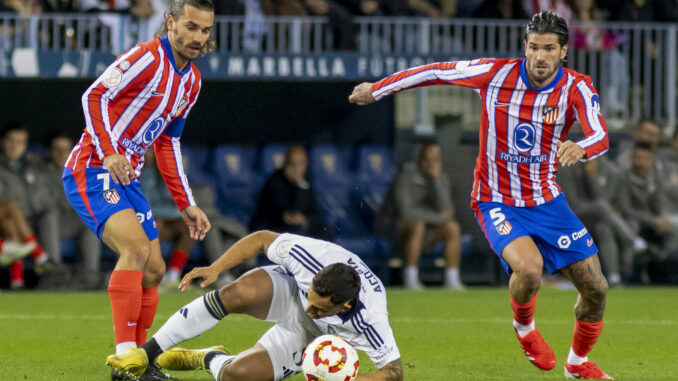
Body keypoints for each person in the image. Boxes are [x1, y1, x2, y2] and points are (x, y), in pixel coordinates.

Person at [349, 10, 612, 379]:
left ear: (564, 51)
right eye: (534, 47)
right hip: (497, 199)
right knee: (530, 269)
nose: (540, 56)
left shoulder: (577, 87)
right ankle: (524, 329)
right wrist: (377, 89)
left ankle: (577, 363)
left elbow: (601, 135)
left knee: (596, 288)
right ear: (525, 47)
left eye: (549, 49)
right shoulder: (495, 74)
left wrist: (582, 147)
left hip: (548, 202)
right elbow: (435, 70)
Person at [61, 0, 213, 377]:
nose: (198, 38)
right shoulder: (146, 57)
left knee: (155, 270)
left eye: (206, 31)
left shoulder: (191, 81)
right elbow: (94, 96)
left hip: (127, 177)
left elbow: (167, 143)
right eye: (191, 27)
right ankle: (127, 361)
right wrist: (110, 151)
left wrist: (185, 203)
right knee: (137, 249)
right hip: (92, 167)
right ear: (171, 22)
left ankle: (139, 360)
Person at [106, 230, 404, 381]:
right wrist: (216, 267)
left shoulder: (370, 319)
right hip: (288, 292)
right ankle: (146, 354)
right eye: (310, 296)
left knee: (238, 376)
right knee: (238, 291)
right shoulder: (309, 259)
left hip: (314, 339)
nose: (309, 307)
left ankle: (207, 358)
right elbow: (262, 239)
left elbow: (393, 373)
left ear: (344, 305)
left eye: (318, 307)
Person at [376, 143, 464, 290]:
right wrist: (439, 217)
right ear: (420, 161)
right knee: (418, 225)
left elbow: (448, 211)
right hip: (395, 230)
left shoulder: (441, 179)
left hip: (427, 231)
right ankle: (411, 279)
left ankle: (452, 280)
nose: (432, 164)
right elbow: (406, 213)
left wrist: (436, 182)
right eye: (428, 160)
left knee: (452, 227)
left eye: (436, 160)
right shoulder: (405, 176)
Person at [558, 156, 645, 286]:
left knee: (603, 228)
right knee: (601, 206)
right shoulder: (566, 166)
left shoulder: (609, 169)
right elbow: (571, 202)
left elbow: (602, 198)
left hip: (594, 217)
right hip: (571, 215)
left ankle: (614, 277)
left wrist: (591, 177)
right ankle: (632, 239)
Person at [0, 122, 57, 288]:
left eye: (20, 142)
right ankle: (39, 255)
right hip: (7, 214)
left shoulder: (33, 166)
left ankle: (17, 282)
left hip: (24, 219)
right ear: (3, 142)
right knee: (11, 208)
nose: (14, 146)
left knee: (12, 224)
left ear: (25, 145)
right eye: (11, 140)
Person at [44, 131, 103, 289]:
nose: (62, 154)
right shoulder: (42, 172)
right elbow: (44, 202)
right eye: (57, 149)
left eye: (66, 149)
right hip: (46, 224)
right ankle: (54, 272)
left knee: (91, 218)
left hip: (70, 220)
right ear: (49, 152)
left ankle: (90, 274)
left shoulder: (78, 170)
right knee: (50, 214)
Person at [616, 142, 678, 282]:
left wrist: (662, 218)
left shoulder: (653, 178)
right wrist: (652, 220)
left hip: (651, 220)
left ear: (651, 161)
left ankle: (665, 269)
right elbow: (625, 209)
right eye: (638, 158)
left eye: (645, 159)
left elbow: (658, 202)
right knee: (632, 226)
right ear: (631, 158)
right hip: (629, 219)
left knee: (672, 229)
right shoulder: (623, 177)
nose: (641, 162)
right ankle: (627, 275)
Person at [140, 149, 196, 289]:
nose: (149, 155)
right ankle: (151, 274)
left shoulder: (160, 171)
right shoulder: (137, 172)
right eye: (147, 151)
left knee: (188, 226)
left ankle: (173, 276)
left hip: (163, 220)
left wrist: (179, 212)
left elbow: (165, 201)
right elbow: (145, 206)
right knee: (153, 223)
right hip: (140, 222)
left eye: (152, 152)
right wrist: (178, 212)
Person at [250, 145, 331, 241]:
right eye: (292, 164)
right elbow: (289, 212)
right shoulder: (275, 181)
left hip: (296, 226)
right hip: (273, 226)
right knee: (297, 231)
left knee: (327, 230)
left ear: (306, 165)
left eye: (300, 164)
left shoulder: (306, 180)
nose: (296, 168)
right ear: (285, 164)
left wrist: (305, 219)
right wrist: (298, 185)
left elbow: (315, 209)